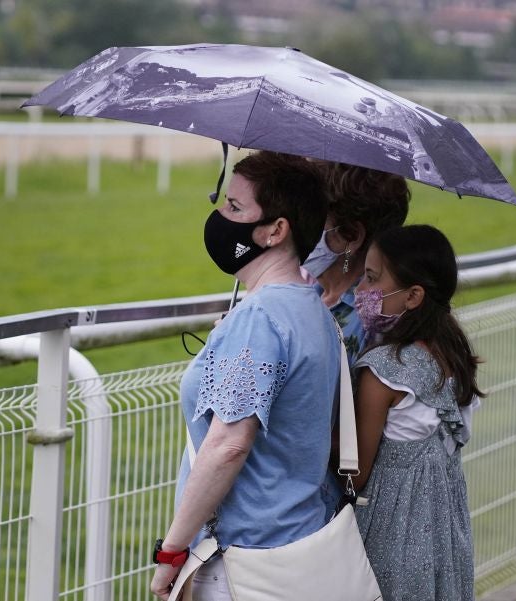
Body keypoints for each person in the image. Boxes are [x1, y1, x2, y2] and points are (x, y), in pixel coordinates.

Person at [150, 151, 340, 601]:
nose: (219, 218)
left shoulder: (260, 318)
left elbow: (228, 445)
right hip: (301, 545)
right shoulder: (313, 307)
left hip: (246, 563)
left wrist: (172, 553)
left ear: (275, 231)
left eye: (235, 209)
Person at [351, 224, 482, 601]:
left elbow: (355, 473)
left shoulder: (383, 372)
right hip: (444, 538)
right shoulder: (451, 359)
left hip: (390, 537)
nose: (361, 292)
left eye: (372, 279)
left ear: (413, 296)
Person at [302, 162, 410, 366]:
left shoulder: (375, 319)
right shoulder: (311, 292)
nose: (298, 230)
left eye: (311, 221)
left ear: (352, 236)